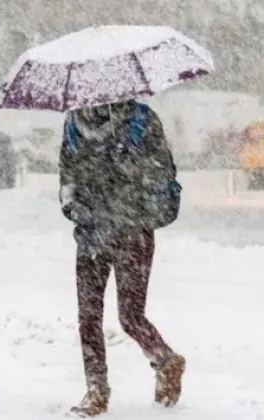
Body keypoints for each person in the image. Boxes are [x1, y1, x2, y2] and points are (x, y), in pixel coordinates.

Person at [58, 99, 186, 417]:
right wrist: (76, 207)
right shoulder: (74, 125)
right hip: (92, 232)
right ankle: (96, 391)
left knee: (130, 316)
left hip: (133, 231)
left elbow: (162, 170)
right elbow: (67, 178)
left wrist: (127, 172)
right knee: (88, 316)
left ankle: (165, 360)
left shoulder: (140, 121)